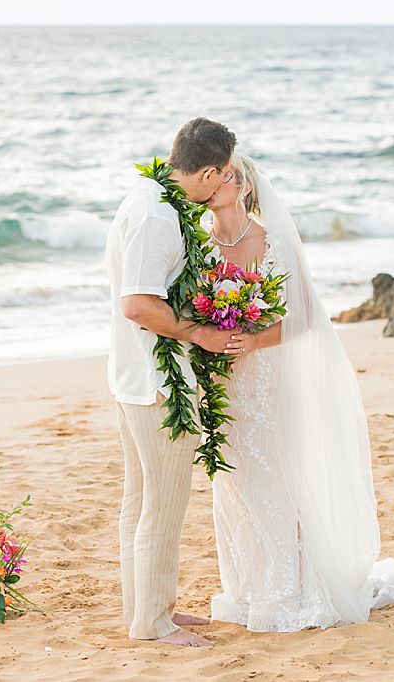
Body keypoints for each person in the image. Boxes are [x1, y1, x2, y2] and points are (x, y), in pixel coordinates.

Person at [202, 151, 394, 632]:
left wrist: (252, 339)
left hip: (270, 381)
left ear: (245, 186)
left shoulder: (272, 241)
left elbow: (302, 316)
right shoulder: (198, 247)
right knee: (234, 484)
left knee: (277, 480)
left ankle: (288, 591)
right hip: (221, 383)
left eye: (227, 177)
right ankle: (249, 589)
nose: (217, 185)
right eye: (213, 177)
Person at [105, 117, 235, 647]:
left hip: (133, 376)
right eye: (222, 175)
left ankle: (147, 610)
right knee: (162, 503)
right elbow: (138, 304)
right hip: (156, 383)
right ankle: (151, 623)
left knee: (140, 501)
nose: (224, 183)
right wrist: (201, 333)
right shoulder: (159, 216)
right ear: (206, 172)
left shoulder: (147, 194)